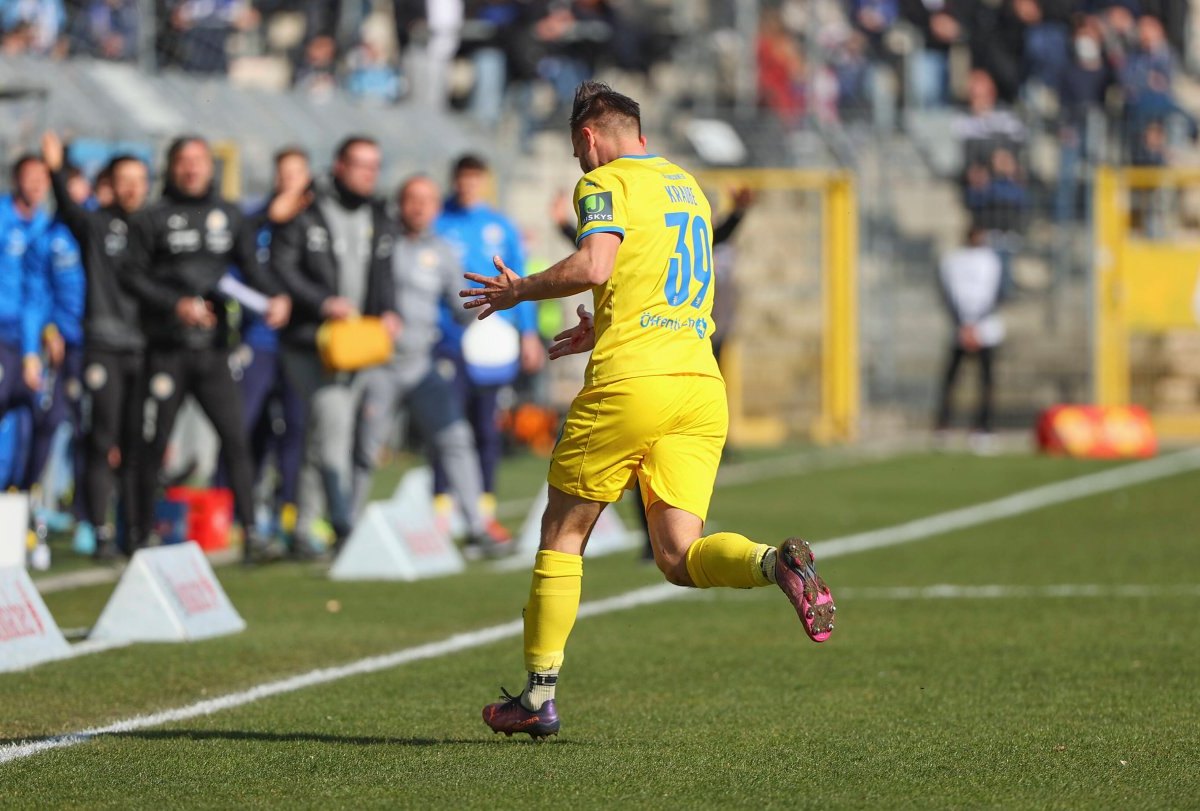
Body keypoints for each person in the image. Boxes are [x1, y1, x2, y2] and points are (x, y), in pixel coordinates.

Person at [468, 81, 837, 739]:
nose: (582, 168)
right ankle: (771, 563)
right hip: (699, 383)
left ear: (588, 138)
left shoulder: (603, 181)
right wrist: (604, 323)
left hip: (633, 382)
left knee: (562, 533)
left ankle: (538, 695)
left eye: (578, 153)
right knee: (676, 554)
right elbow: (656, 278)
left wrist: (520, 289)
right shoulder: (687, 186)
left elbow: (595, 260)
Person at [121, 136, 291, 562]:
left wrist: (277, 296)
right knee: (152, 442)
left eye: (199, 161)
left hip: (215, 351)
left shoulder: (228, 215)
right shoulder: (151, 218)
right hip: (166, 350)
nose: (192, 169)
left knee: (236, 439)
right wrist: (174, 305)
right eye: (184, 161)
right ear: (172, 167)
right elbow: (132, 276)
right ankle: (140, 533)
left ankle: (251, 531)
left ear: (210, 167)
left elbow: (253, 268)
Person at [352, 175, 512, 557]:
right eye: (412, 199)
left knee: (456, 438)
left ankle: (476, 526)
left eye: (427, 200)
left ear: (436, 207)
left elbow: (459, 307)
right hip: (378, 366)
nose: (419, 207)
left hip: (421, 365)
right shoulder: (378, 243)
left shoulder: (441, 251)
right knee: (365, 447)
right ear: (400, 203)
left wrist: (495, 299)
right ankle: (348, 527)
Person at [271, 136, 400, 554]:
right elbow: (283, 266)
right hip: (311, 343)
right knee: (334, 430)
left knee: (322, 435)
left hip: (356, 343)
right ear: (339, 166)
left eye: (374, 166)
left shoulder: (378, 214)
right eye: (361, 165)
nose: (369, 174)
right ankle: (343, 523)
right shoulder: (307, 211)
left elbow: (383, 272)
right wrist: (321, 302)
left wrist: (388, 310)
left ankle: (305, 527)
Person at [40, 132, 149, 560]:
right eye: (123, 179)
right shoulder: (96, 224)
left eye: (138, 179)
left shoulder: (154, 224)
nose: (131, 187)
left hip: (145, 348)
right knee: (102, 440)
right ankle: (100, 528)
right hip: (104, 345)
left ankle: (135, 528)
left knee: (138, 443)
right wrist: (55, 167)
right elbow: (67, 208)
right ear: (111, 183)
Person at [434, 154, 544, 529]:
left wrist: (528, 334)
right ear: (454, 180)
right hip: (448, 339)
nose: (468, 185)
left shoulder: (500, 226)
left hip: (491, 339)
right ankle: (442, 507)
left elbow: (521, 280)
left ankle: (484, 505)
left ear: (482, 182)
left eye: (474, 178)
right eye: (462, 178)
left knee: (486, 423)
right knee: (446, 423)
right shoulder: (439, 222)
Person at [221, 147, 311, 553]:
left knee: (295, 430)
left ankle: (288, 513)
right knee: (244, 427)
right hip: (257, 341)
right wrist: (264, 305)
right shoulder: (252, 220)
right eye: (283, 173)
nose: (289, 180)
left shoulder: (316, 221)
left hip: (301, 343)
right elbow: (227, 274)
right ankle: (237, 514)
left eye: (297, 173)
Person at [934, 226, 1004, 453]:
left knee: (986, 381)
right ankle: (943, 426)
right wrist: (964, 326)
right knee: (951, 379)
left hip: (984, 329)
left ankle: (983, 428)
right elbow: (948, 294)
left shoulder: (991, 261)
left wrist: (974, 325)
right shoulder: (952, 261)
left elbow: (994, 294)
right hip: (961, 329)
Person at [0, 155, 51, 427]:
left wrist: (40, 339)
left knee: (35, 416)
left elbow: (38, 292)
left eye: (43, 178)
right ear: (15, 179)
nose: (36, 184)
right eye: (30, 176)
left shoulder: (46, 226)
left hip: (26, 337)